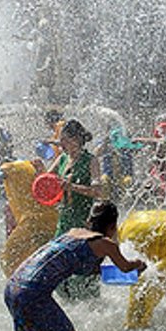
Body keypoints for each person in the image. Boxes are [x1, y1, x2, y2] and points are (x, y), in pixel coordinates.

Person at [3, 201, 144, 331]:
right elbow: (125, 268)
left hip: (14, 286)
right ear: (113, 225)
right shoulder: (106, 244)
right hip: (33, 293)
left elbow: (72, 262)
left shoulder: (73, 233)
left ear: (90, 221)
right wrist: (140, 264)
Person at [44, 120, 106, 301]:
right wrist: (40, 172)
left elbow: (98, 191)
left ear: (77, 139)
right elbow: (47, 182)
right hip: (64, 219)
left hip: (83, 221)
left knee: (83, 268)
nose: (61, 145)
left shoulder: (91, 161)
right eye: (60, 141)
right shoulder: (62, 158)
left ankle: (90, 307)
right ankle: (68, 304)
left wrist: (72, 187)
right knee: (56, 265)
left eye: (64, 140)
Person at [0, 158, 59, 278]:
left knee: (8, 259)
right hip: (52, 222)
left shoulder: (10, 168)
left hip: (32, 224)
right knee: (45, 256)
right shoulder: (35, 172)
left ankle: (21, 284)